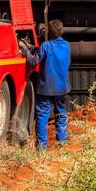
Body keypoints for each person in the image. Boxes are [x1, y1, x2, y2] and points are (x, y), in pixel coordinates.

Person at [22, 19, 71, 149]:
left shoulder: (46, 46)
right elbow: (49, 51)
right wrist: (33, 47)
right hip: (62, 87)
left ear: (49, 32)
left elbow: (33, 61)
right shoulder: (66, 45)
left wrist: (25, 51)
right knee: (60, 113)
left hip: (46, 89)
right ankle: (63, 140)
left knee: (43, 115)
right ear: (61, 31)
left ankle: (42, 146)